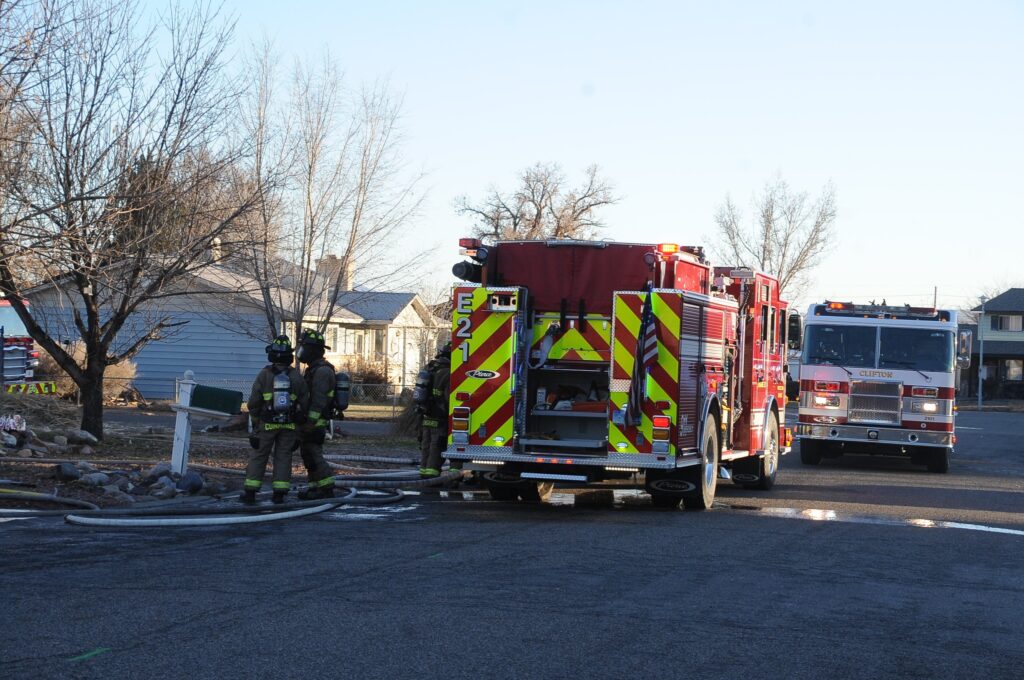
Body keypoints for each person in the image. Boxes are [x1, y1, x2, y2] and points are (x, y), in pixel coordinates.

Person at [243, 335, 309, 505]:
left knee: (259, 455)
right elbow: (304, 403)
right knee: (284, 457)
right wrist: (298, 426)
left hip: (266, 424)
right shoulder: (296, 377)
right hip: (289, 425)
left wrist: (256, 423)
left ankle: (250, 493)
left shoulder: (264, 375)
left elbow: (253, 403)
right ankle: (279, 494)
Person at [295, 328, 338, 500]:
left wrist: (310, 423)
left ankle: (327, 488)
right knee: (308, 456)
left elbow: (319, 401)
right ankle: (314, 488)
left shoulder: (322, 371)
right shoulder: (314, 369)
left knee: (314, 456)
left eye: (304, 348)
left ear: (313, 350)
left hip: (316, 422)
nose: (301, 352)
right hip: (310, 421)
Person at [418, 343, 452, 478]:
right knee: (437, 444)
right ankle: (432, 473)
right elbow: (448, 397)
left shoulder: (429, 368)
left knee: (425, 443)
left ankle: (423, 470)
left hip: (426, 413)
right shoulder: (448, 373)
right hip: (439, 414)